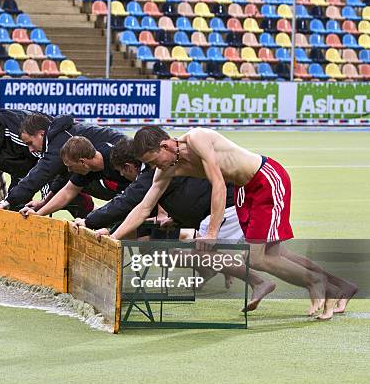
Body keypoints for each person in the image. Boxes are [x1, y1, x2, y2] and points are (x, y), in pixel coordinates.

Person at [106, 126, 357, 319]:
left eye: (152, 160)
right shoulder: (166, 169)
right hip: (244, 190)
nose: (152, 167)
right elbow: (143, 208)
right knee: (275, 253)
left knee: (258, 258)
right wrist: (113, 238)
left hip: (266, 179)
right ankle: (341, 285)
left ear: (165, 145)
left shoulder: (197, 139)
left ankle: (318, 282)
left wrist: (212, 232)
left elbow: (217, 183)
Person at [72, 138, 275, 311]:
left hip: (223, 208)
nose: (123, 177)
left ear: (130, 166)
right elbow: (138, 207)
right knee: (160, 248)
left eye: (122, 172)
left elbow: (129, 203)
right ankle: (217, 269)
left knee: (203, 252)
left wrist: (98, 225)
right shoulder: (159, 167)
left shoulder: (153, 171)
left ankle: (258, 280)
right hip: (200, 213)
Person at [0, 114, 127, 216]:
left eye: (30, 143)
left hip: (126, 164)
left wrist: (5, 202)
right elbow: (64, 183)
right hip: (113, 168)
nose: (30, 150)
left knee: (128, 206)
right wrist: (43, 204)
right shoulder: (59, 139)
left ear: (41, 134)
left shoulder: (58, 144)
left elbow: (40, 174)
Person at [19, 136, 130, 218]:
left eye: (70, 166)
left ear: (82, 161)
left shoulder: (117, 162)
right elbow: (67, 192)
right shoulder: (89, 165)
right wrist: (39, 212)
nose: (69, 170)